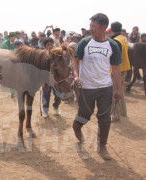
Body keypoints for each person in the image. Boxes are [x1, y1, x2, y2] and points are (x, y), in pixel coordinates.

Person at [71, 13, 122, 160]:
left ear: (103, 28)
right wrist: (76, 75)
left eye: (93, 26)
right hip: (86, 88)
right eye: (90, 26)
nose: (90, 29)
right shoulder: (85, 42)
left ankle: (102, 146)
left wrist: (118, 90)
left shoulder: (112, 45)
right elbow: (75, 59)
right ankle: (77, 129)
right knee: (83, 116)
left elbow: (116, 69)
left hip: (105, 88)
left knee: (104, 119)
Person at [110, 21, 131, 121]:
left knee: (115, 91)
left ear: (111, 29)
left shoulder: (115, 41)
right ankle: (123, 112)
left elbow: (114, 58)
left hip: (117, 70)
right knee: (120, 90)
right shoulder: (123, 38)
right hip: (124, 67)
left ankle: (115, 114)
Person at [41, 37, 61, 117]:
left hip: (56, 80)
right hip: (46, 79)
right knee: (46, 95)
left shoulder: (57, 54)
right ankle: (45, 111)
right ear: (45, 46)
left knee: (58, 95)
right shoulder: (41, 55)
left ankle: (56, 107)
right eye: (48, 45)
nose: (50, 46)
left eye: (51, 44)